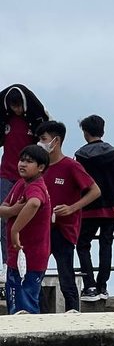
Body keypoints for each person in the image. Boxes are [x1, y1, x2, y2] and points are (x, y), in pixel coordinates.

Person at [36, 121, 101, 312]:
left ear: (56, 141)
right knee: (35, 274)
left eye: (43, 139)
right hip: (41, 229)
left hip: (63, 230)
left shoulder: (71, 166)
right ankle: (44, 314)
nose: (41, 143)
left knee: (66, 276)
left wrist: (72, 208)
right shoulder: (39, 167)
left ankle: (72, 314)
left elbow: (95, 191)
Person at [74, 115, 114, 302]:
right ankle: (103, 285)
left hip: (88, 207)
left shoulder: (80, 155)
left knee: (82, 245)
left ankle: (89, 286)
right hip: (110, 207)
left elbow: (77, 181)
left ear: (85, 132)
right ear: (102, 130)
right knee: (106, 246)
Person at [0, 85, 48, 272]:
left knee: (32, 217)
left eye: (19, 106)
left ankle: (28, 259)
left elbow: (46, 139)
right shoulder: (5, 121)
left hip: (28, 178)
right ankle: (7, 261)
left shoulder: (34, 123)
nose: (17, 110)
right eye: (13, 106)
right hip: (6, 174)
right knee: (5, 217)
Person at [0, 144, 52, 314]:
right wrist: (14, 210)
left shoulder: (36, 186)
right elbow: (3, 208)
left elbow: (34, 203)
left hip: (31, 257)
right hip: (15, 257)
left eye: (29, 162)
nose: (22, 164)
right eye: (21, 160)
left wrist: (15, 230)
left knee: (26, 305)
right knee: (14, 302)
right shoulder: (20, 183)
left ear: (41, 167)